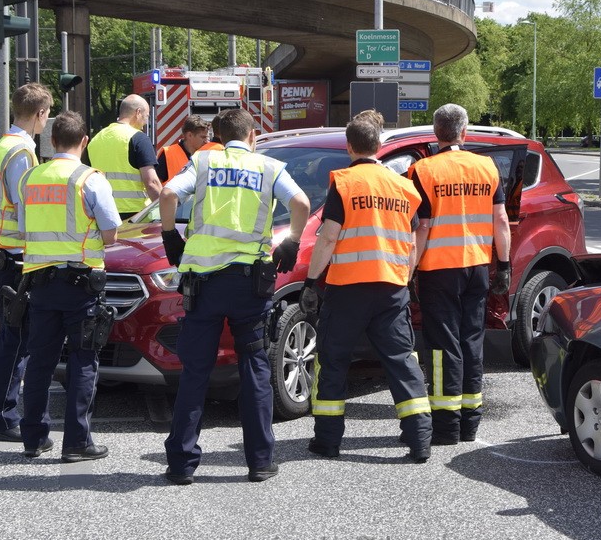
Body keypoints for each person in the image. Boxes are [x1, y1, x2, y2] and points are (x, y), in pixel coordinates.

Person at [160, 109, 310, 485]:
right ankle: (260, 461)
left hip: (204, 285)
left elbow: (167, 193)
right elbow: (302, 204)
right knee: (255, 367)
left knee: (195, 371)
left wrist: (169, 237)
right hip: (249, 286)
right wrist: (290, 242)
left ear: (218, 135)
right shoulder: (269, 166)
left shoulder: (204, 161)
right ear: (253, 134)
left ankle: (181, 465)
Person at [300, 111, 433, 463]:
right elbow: (415, 235)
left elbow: (328, 237)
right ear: (379, 146)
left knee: (332, 362)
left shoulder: (344, 183)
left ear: (349, 147)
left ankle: (327, 441)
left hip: (347, 289)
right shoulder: (404, 187)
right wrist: (408, 274)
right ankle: (419, 438)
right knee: (403, 361)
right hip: (391, 287)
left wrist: (312, 282)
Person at [17, 111, 121, 461]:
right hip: (80, 285)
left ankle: (33, 439)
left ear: (52, 141)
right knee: (83, 361)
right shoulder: (90, 179)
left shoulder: (31, 178)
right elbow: (111, 233)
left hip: (40, 284)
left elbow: (23, 228)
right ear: (84, 141)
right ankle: (77, 442)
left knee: (39, 363)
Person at [407, 103, 511, 445]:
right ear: (464, 133)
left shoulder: (422, 170)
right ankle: (470, 424)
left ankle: (446, 426)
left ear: (436, 134)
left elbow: (421, 227)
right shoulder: (487, 167)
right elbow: (500, 221)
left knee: (442, 346)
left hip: (438, 270)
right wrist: (505, 265)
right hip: (478, 267)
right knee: (471, 341)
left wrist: (409, 271)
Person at [0, 82, 52, 442]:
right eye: (47, 115)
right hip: (14, 259)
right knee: (16, 343)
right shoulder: (21, 153)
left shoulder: (3, 145)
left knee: (9, 339)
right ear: (40, 114)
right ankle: (2, 417)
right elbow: (25, 209)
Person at [85, 94, 162, 219]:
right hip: (135, 215)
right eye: (146, 116)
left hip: (102, 213)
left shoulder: (96, 139)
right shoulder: (138, 138)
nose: (145, 123)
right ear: (138, 112)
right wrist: (165, 211)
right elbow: (152, 182)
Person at [155, 115, 210, 182]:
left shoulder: (206, 155)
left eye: (207, 137)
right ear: (189, 135)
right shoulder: (168, 154)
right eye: (203, 137)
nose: (207, 141)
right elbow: (156, 183)